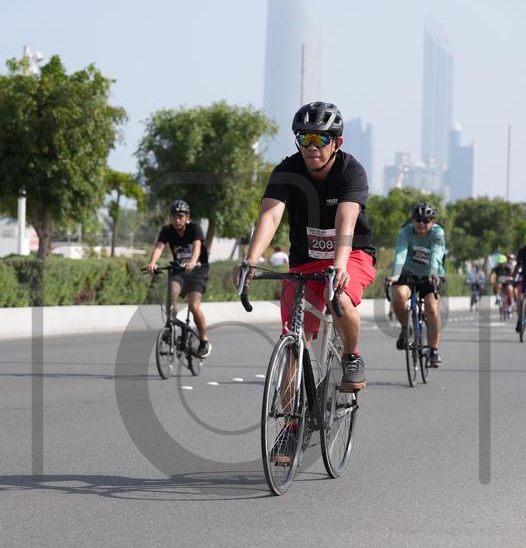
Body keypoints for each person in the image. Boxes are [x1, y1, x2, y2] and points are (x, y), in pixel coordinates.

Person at [234, 101, 376, 395]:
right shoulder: (286, 170)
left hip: (351, 254)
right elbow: (271, 216)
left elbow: (345, 220)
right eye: (304, 138)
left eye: (320, 139)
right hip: (305, 259)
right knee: (293, 339)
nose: (311, 147)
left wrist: (339, 266)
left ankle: (351, 355)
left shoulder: (351, 171)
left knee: (337, 297)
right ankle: (289, 420)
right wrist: (250, 260)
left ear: (337, 142)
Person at [147, 200, 212, 358]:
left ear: (187, 217)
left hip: (198, 271)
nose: (177, 220)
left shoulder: (194, 228)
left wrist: (193, 262)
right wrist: (152, 262)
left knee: (193, 306)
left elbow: (197, 246)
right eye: (174, 216)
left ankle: (204, 340)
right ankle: (171, 326)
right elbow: (159, 247)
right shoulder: (167, 231)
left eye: (181, 216)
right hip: (179, 271)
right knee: (171, 294)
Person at [388, 203, 446, 367]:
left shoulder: (437, 233)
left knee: (432, 308)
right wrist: (395, 275)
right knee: (399, 295)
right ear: (412, 220)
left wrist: (433, 272)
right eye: (418, 220)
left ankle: (434, 351)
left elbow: (436, 254)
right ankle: (406, 327)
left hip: (431, 275)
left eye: (426, 221)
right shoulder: (406, 231)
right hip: (408, 273)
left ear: (433, 221)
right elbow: (400, 253)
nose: (421, 224)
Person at [513, 245, 526, 332]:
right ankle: (519, 320)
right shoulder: (522, 251)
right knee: (520, 297)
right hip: (524, 277)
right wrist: (515, 276)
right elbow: (518, 265)